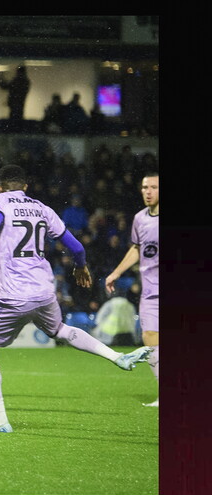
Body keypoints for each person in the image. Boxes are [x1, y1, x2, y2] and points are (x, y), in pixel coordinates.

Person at [0, 164, 153, 433]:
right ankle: (117, 357)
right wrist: (81, 265)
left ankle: (0, 420)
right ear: (26, 186)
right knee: (60, 330)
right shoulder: (43, 209)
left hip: (13, 294)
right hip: (45, 291)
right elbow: (77, 246)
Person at [105, 172, 159, 407]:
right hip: (150, 290)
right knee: (150, 339)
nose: (148, 191)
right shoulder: (140, 218)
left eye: (154, 187)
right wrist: (116, 272)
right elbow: (137, 248)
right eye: (145, 187)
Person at [0, 66, 30, 130]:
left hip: (15, 103)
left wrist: (0, 78)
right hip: (19, 103)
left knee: (14, 118)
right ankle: (17, 129)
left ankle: (14, 130)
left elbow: (5, 86)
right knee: (18, 117)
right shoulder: (25, 81)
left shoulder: (19, 81)